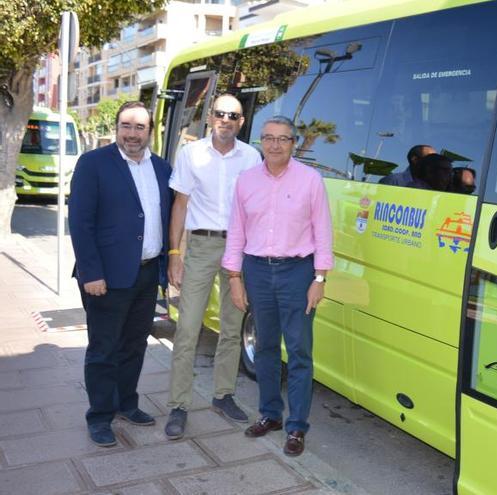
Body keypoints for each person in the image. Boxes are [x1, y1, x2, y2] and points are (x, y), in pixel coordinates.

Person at [222, 116, 333, 457]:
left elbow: (323, 232)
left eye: (282, 139)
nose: (274, 145)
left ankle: (296, 426)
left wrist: (319, 279)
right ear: (261, 142)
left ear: (293, 143)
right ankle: (270, 414)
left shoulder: (311, 180)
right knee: (266, 347)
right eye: (268, 138)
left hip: (298, 272)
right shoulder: (246, 181)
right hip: (256, 271)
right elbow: (236, 232)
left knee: (299, 351)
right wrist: (235, 280)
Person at [69, 101, 172, 447]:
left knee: (134, 345)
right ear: (117, 128)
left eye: (139, 127)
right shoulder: (94, 163)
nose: (132, 133)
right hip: (106, 278)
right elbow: (80, 223)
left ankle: (126, 403)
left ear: (150, 131)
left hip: (145, 275)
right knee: (104, 348)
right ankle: (99, 416)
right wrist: (90, 273)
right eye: (126, 125)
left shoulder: (161, 168)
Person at [164, 94, 262, 439]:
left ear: (241, 121)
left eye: (233, 115)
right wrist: (174, 254)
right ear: (209, 117)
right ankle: (178, 404)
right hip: (202, 245)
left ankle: (223, 395)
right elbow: (180, 204)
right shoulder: (191, 154)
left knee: (233, 326)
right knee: (188, 328)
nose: (225, 119)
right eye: (220, 113)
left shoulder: (251, 157)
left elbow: (258, 209)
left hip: (239, 246)